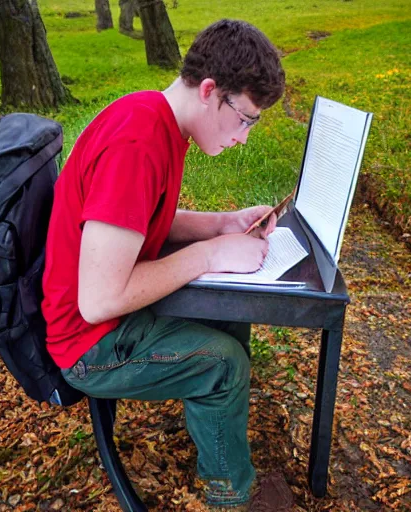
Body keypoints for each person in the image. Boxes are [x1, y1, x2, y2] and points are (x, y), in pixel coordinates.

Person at [42, 19, 292, 510]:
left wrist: (221, 223)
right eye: (245, 119)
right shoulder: (137, 143)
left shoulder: (156, 119)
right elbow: (98, 301)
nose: (244, 137)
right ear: (208, 90)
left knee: (228, 312)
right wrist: (212, 254)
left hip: (106, 320)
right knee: (223, 364)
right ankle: (231, 496)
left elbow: (139, 217)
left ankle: (214, 425)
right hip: (90, 343)